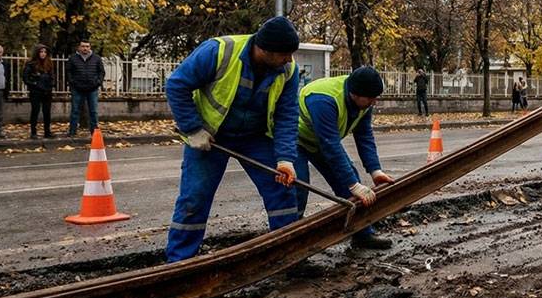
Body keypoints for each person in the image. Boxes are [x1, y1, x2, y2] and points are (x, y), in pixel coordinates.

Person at [163, 17, 302, 262]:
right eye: (284, 54)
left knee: (281, 189)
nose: (289, 60)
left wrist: (285, 158)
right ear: (264, 50)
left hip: (256, 138)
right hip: (211, 136)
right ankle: (180, 262)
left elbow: (287, 114)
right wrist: (193, 129)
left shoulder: (288, 71)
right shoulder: (218, 51)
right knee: (194, 197)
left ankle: (288, 255)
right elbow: (177, 85)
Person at [294, 66, 394, 249]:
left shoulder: (364, 99)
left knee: (349, 181)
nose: (374, 102)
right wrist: (354, 185)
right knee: (298, 186)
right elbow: (330, 145)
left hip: (321, 141)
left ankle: (362, 234)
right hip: (296, 140)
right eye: (371, 98)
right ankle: (291, 243)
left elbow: (364, 135)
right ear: (355, 94)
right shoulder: (323, 99)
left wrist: (375, 170)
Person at [66, 40, 104, 136]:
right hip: (77, 88)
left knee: (93, 111)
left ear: (90, 47)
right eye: (83, 46)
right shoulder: (73, 58)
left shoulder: (96, 58)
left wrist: (98, 82)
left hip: (92, 89)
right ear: (79, 47)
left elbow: (101, 72)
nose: (85, 48)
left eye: (87, 46)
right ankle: (72, 131)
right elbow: (68, 72)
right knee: (75, 110)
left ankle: (94, 132)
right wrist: (73, 83)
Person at [22, 44, 55, 139]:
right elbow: (25, 78)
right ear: (37, 53)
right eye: (41, 52)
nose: (43, 54)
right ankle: (33, 132)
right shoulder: (30, 64)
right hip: (36, 92)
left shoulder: (49, 63)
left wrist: (51, 84)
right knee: (35, 111)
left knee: (47, 112)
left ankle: (47, 131)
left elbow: (52, 76)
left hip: (47, 92)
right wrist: (35, 84)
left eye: (45, 52)